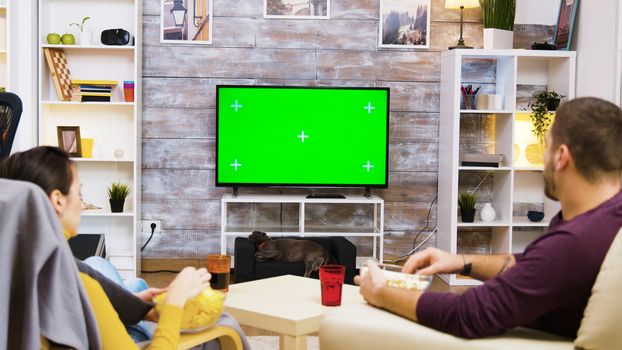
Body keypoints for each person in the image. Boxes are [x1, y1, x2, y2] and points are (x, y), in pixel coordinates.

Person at [356, 97, 622, 339]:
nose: (543, 158)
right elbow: (533, 269)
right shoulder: (605, 218)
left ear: (561, 157)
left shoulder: (574, 242)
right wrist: (461, 261)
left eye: (546, 147)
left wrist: (380, 292)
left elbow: (466, 314)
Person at [0, 146, 250, 349]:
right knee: (222, 326)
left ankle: (135, 299)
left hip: (115, 306)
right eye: (79, 193)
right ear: (57, 200)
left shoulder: (17, 269)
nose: (82, 204)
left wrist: (134, 305)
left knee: (106, 270)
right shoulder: (78, 288)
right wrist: (174, 303)